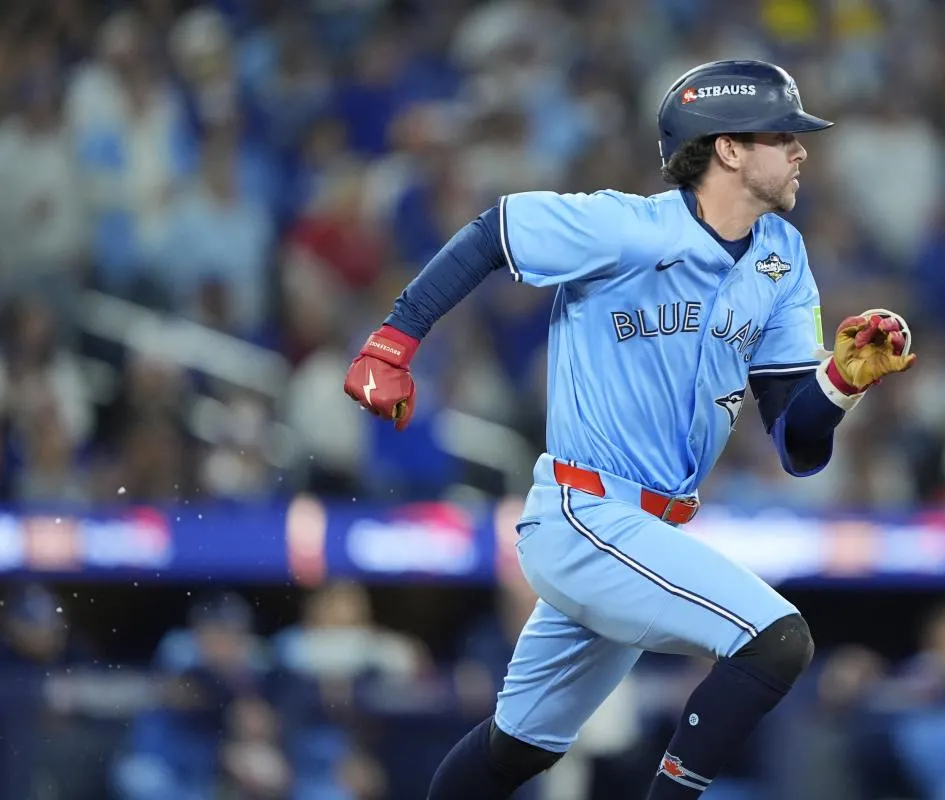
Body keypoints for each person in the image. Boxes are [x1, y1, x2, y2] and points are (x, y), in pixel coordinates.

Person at [343, 60, 916, 799]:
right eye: (782, 134)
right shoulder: (629, 226)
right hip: (585, 513)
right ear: (729, 148)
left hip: (647, 534)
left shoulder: (782, 258)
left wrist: (841, 384)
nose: (801, 148)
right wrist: (394, 340)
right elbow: (496, 232)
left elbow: (797, 445)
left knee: (513, 750)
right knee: (776, 640)